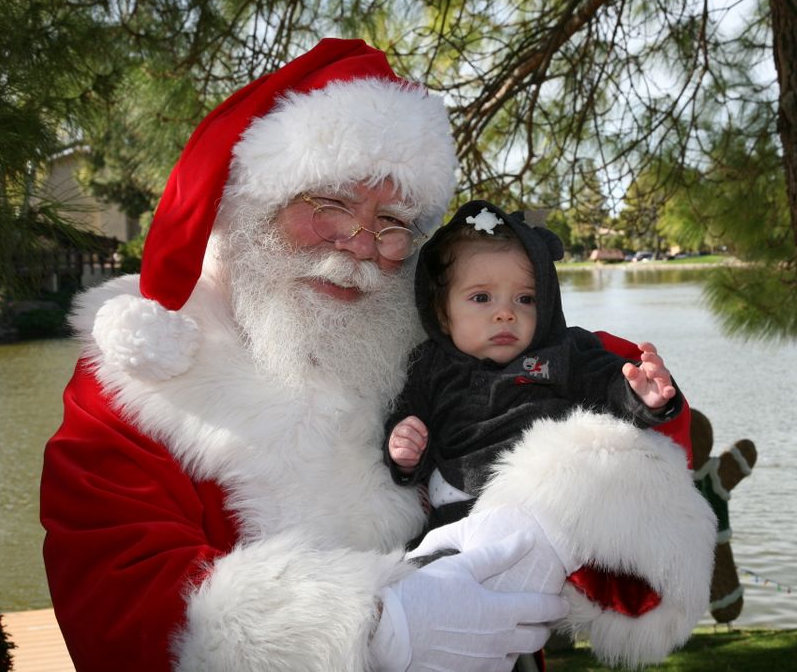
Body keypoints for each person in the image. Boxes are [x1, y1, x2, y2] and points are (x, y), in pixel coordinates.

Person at [41, 38, 715, 672]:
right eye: (330, 203)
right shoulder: (139, 382)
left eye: (391, 222)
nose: (361, 244)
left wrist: (551, 508)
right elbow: (115, 597)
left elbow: (612, 383)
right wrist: (375, 629)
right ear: (251, 203)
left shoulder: (435, 341)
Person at [385, 200, 685, 534]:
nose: (505, 313)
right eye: (481, 298)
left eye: (525, 299)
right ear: (442, 312)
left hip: (548, 509)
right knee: (430, 575)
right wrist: (403, 451)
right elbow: (407, 416)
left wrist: (642, 394)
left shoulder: (562, 352)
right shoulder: (429, 365)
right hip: (458, 514)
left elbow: (608, 384)